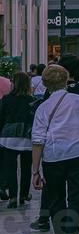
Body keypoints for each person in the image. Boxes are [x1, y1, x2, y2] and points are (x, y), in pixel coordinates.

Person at [31, 65, 79, 234]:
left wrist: (35, 170)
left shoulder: (43, 108)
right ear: (66, 79)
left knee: (56, 197)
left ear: (45, 84)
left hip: (54, 156)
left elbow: (38, 140)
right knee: (76, 197)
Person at [0, 71, 37, 207]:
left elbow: (1, 118)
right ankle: (24, 194)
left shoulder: (6, 99)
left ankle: (13, 197)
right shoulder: (32, 101)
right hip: (26, 137)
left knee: (10, 168)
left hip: (8, 138)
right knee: (26, 168)